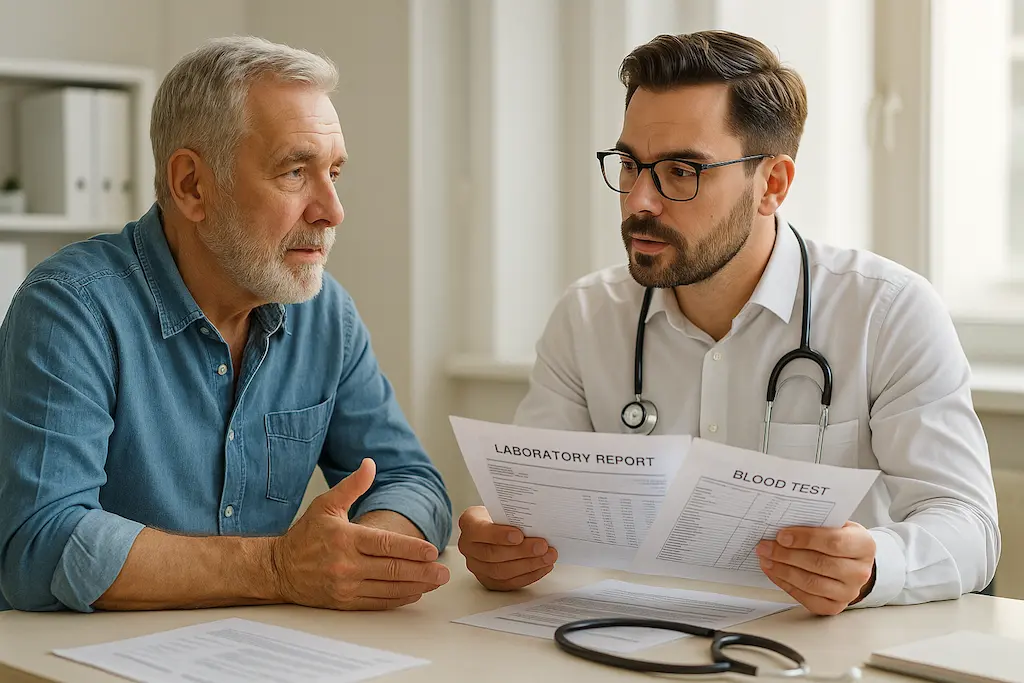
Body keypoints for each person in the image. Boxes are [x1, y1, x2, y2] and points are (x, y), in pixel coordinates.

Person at [457, 30, 1000, 615]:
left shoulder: (886, 312)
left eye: (681, 171)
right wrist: (503, 546)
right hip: (630, 637)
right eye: (630, 165)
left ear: (772, 184)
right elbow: (534, 513)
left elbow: (969, 528)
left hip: (822, 651)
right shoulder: (587, 316)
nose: (640, 200)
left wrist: (873, 569)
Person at [0, 36, 452, 613]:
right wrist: (276, 568)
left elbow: (412, 481)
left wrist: (366, 550)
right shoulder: (70, 307)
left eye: (334, 172)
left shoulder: (325, 314)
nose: (332, 209)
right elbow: (42, 545)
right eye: (295, 171)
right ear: (192, 185)